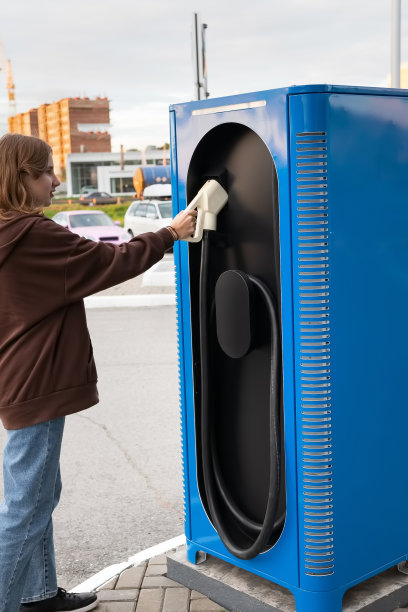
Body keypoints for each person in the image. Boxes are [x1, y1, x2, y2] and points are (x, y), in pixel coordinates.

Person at [0, 133, 197, 612]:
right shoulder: (34, 235)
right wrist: (171, 233)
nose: (56, 180)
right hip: (38, 381)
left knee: (39, 493)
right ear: (22, 177)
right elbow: (111, 261)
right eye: (47, 171)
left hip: (18, 377)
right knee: (26, 505)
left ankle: (38, 593)